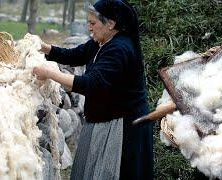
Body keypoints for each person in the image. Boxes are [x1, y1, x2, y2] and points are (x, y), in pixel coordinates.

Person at [32, 0, 153, 179]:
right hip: (104, 120)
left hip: (122, 127)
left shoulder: (120, 49)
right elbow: (75, 54)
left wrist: (50, 73)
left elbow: (91, 84)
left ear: (111, 24)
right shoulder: (102, 42)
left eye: (93, 23)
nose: (89, 27)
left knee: (115, 172)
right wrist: (45, 48)